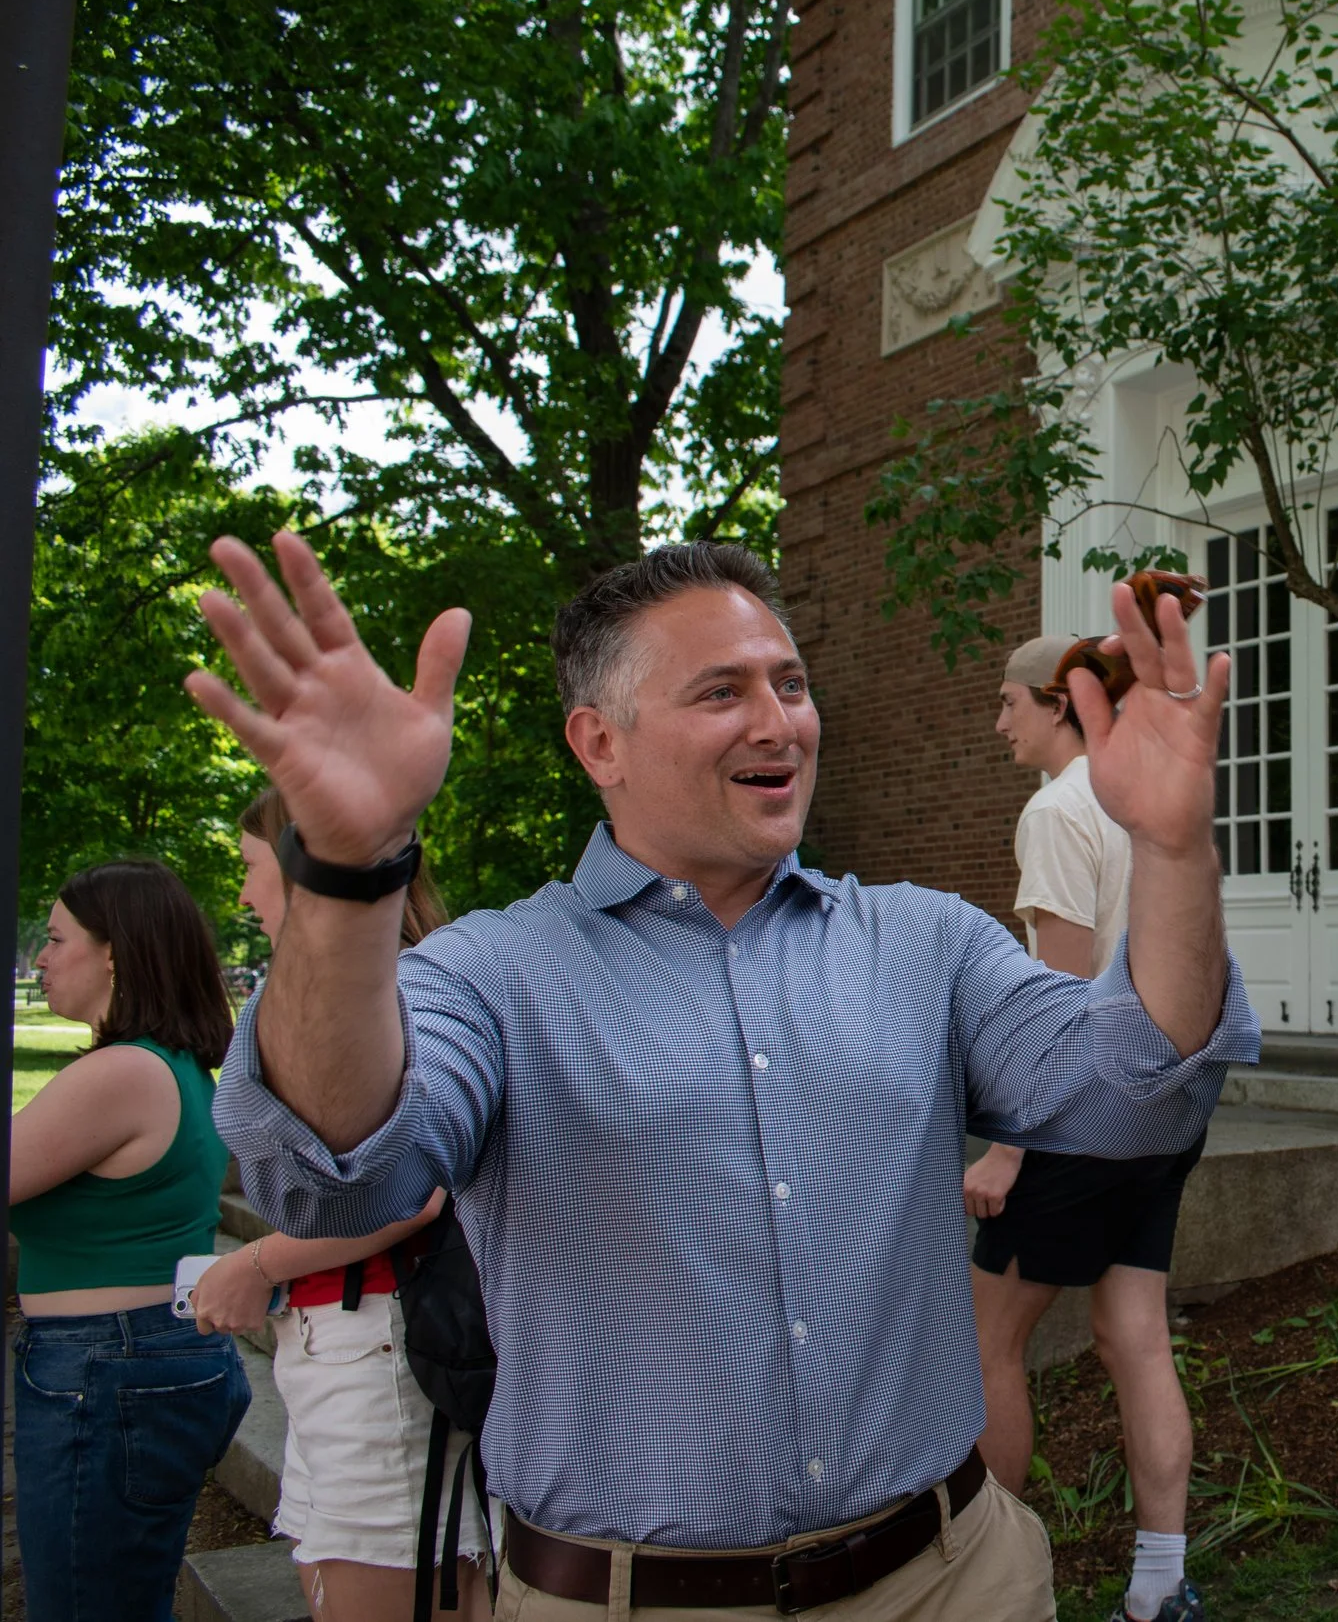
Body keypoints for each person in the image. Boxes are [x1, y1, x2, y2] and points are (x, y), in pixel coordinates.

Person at [186, 535, 1256, 1620]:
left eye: (789, 683)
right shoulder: (493, 974)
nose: (777, 720)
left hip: (952, 1580)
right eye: (721, 690)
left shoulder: (926, 943)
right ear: (600, 742)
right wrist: (348, 873)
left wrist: (1174, 848)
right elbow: (331, 1174)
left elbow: (1137, 1098)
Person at [188, 785, 491, 1621]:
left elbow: (413, 1188)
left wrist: (256, 1261)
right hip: (348, 1341)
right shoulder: (363, 989)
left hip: (381, 1349)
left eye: (251, 867)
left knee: (381, 1585)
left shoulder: (395, 992)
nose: (243, 894)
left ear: (304, 869)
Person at [967, 634, 1206, 1622]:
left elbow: (1055, 998)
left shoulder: (1059, 810)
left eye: (1008, 702)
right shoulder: (1137, 797)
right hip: (1168, 1099)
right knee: (1134, 1335)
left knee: (987, 1340)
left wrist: (1007, 1147)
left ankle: (979, 1583)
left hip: (1083, 1113)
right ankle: (1161, 1589)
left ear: (1058, 703)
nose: (998, 723)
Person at [11, 858, 255, 1622]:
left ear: (113, 951)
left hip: (107, 1366)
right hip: (135, 1360)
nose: (41, 957)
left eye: (57, 939)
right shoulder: (171, 1066)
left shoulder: (121, 1072)